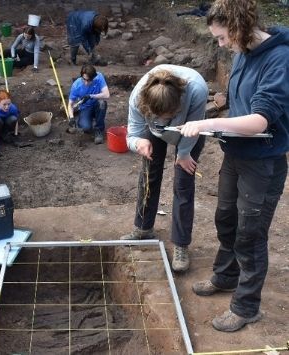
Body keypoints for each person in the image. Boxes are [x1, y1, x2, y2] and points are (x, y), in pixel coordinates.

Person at [179, 0, 289, 332]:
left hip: (263, 162)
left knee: (250, 234)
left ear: (240, 28)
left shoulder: (280, 59)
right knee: (226, 218)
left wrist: (208, 125)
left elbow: (258, 121)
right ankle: (226, 276)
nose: (221, 45)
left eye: (223, 37)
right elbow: (240, 104)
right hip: (235, 154)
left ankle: (246, 306)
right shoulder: (242, 53)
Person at [121, 65, 208, 274]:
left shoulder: (197, 90)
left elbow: (194, 129)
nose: (163, 121)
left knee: (183, 184)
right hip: (154, 133)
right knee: (149, 174)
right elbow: (132, 135)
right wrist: (139, 143)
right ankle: (143, 229)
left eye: (169, 116)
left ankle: (181, 245)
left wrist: (184, 154)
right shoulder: (137, 97)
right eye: (158, 116)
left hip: (189, 132)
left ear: (178, 105)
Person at [67, 64, 110, 144]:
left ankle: (99, 130)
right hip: (85, 108)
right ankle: (81, 119)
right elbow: (70, 104)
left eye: (89, 80)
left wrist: (91, 96)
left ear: (94, 77)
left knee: (102, 103)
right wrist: (71, 117)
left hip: (96, 104)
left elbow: (107, 94)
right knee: (86, 128)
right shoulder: (76, 86)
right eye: (84, 79)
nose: (86, 83)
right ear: (81, 76)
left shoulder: (99, 77)